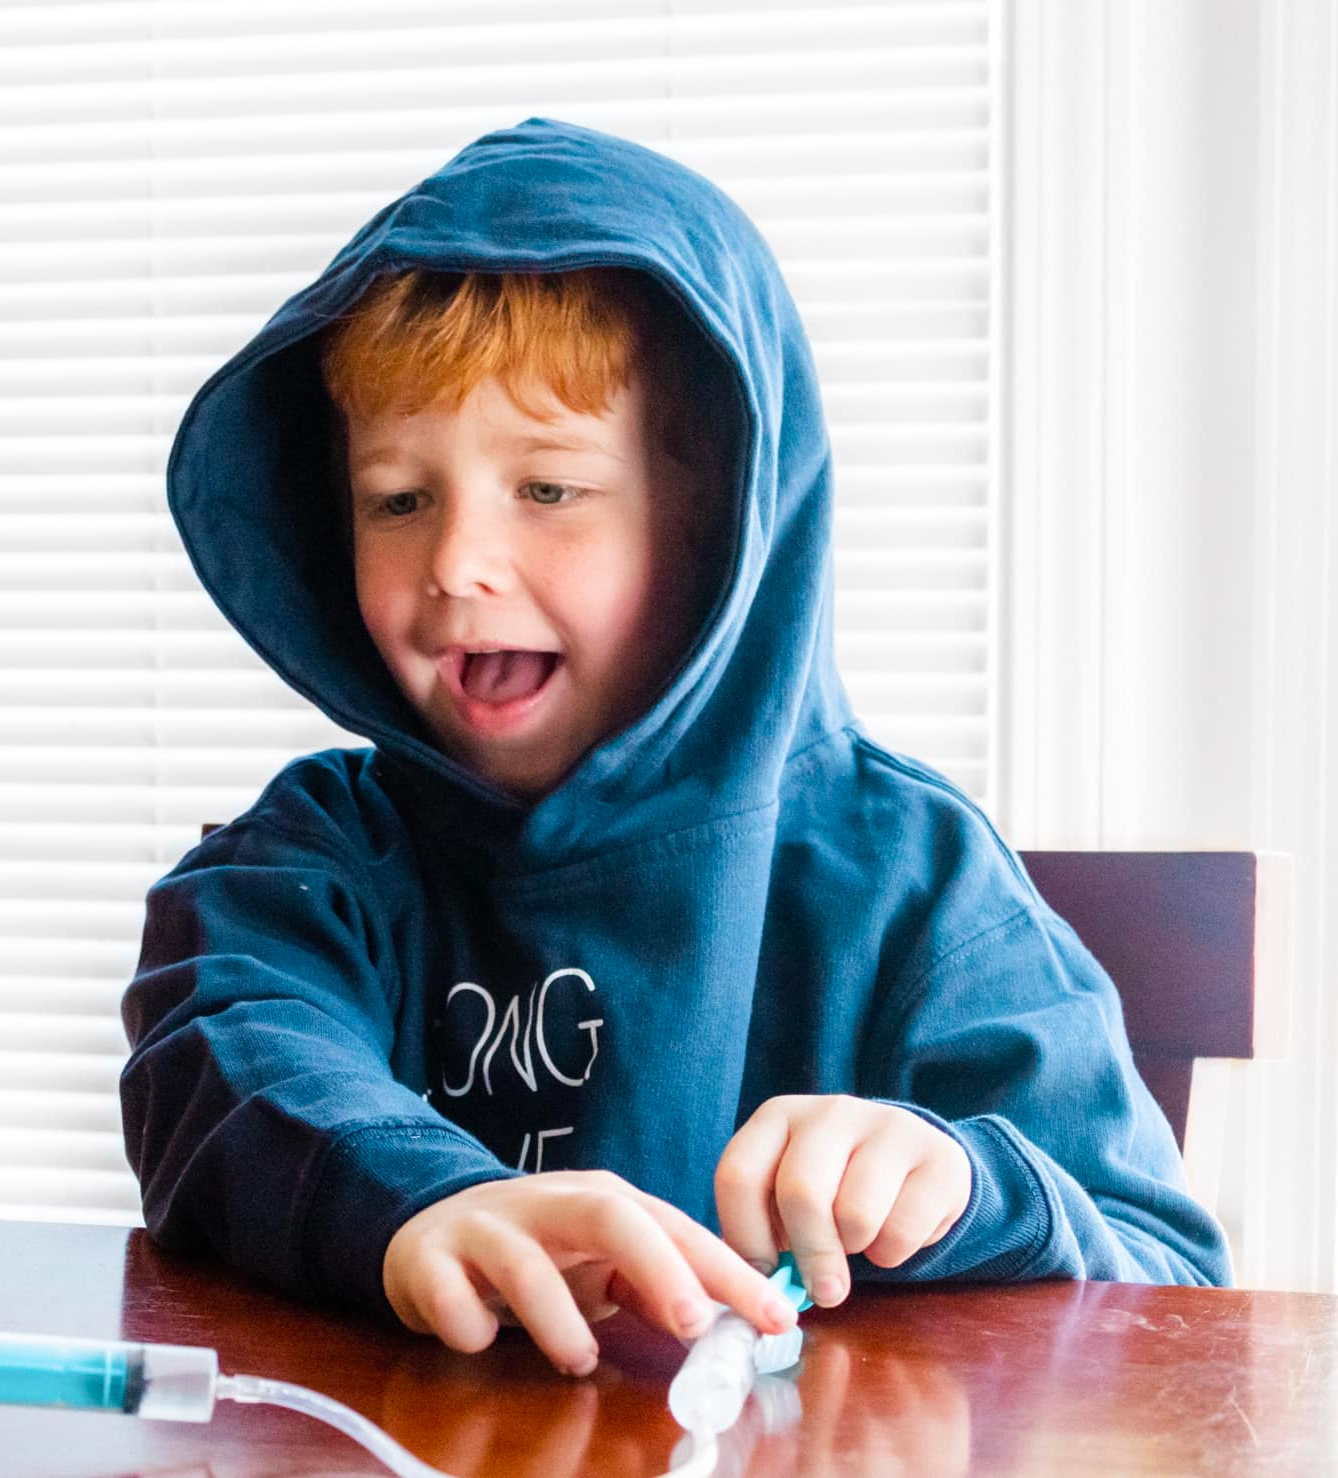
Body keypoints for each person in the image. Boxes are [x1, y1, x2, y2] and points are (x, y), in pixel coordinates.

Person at [119, 117, 1229, 1380]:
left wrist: (967, 1184)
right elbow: (224, 1052)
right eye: (396, 498)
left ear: (713, 529)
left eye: (547, 489)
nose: (454, 563)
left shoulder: (913, 879)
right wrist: (425, 1200)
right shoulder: (316, 859)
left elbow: (1167, 1277)